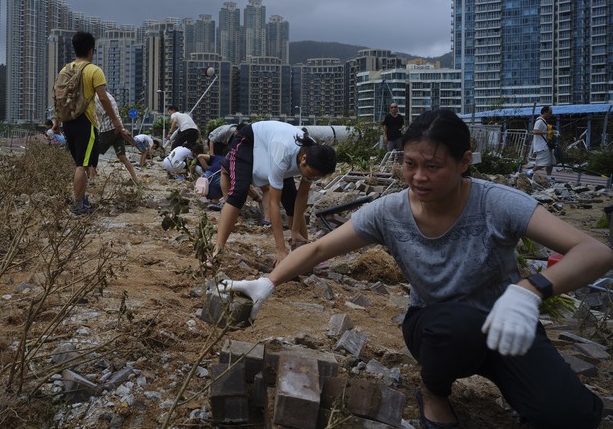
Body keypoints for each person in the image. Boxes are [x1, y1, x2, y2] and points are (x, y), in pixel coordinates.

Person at [222, 109, 613, 429]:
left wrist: (530, 291)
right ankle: (432, 389)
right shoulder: (390, 213)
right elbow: (319, 248)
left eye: (433, 166)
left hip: (508, 324)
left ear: (464, 161)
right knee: (458, 323)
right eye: (410, 164)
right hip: (438, 329)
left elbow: (594, 252)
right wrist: (268, 282)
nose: (419, 177)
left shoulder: (498, 204)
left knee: (571, 416)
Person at [212, 121, 336, 267]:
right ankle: (217, 251)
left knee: (291, 199)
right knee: (238, 193)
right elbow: (273, 203)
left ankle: (304, 252)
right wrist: (281, 249)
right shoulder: (283, 152)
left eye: (317, 177)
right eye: (313, 175)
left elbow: (302, 196)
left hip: (276, 148)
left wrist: (295, 231)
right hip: (249, 140)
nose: (313, 178)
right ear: (303, 160)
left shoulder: (315, 155)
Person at [53, 31, 131, 215]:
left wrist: (56, 121)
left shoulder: (65, 70)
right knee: (82, 164)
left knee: (81, 163)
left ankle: (81, 198)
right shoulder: (94, 70)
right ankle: (78, 205)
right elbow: (103, 98)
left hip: (68, 122)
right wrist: (116, 121)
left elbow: (58, 99)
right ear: (91, 50)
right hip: (85, 122)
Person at [94, 91, 139, 185]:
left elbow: (100, 114)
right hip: (117, 128)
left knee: (92, 154)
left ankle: (92, 178)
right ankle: (135, 179)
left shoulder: (96, 97)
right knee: (122, 157)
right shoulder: (107, 95)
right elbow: (115, 113)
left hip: (108, 129)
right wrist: (121, 128)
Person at [532, 105, 556, 176]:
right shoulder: (539, 121)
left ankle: (549, 176)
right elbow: (535, 131)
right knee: (543, 163)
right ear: (545, 112)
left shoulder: (544, 121)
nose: (550, 115)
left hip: (546, 145)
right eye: (549, 113)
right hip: (542, 146)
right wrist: (547, 132)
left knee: (551, 162)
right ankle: (530, 172)